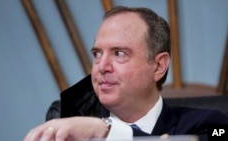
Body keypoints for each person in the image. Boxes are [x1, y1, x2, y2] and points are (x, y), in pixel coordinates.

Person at [24, 6, 228, 141]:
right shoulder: (66, 121)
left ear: (158, 66)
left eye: (119, 53)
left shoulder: (208, 124)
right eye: (97, 54)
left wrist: (106, 131)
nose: (101, 66)